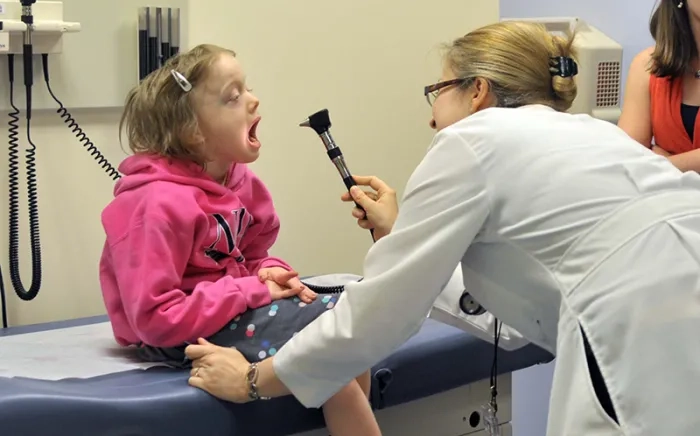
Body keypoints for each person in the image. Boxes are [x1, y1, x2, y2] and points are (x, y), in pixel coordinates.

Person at [184, 21, 700, 436]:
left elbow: (380, 314)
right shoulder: (591, 133)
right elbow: (519, 311)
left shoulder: (471, 140)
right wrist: (397, 233)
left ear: (476, 91)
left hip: (641, 334)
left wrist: (253, 380)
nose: (431, 117)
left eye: (437, 91)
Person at [98, 44, 381, 436]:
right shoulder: (154, 204)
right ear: (193, 131)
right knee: (334, 369)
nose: (253, 99)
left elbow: (249, 257)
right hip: (179, 333)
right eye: (233, 96)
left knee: (346, 328)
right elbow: (154, 320)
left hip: (226, 309)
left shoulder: (238, 182)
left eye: (246, 88)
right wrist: (252, 291)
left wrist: (269, 273)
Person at [618, 0, 700, 172]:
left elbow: (641, 168)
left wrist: (665, 164)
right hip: (665, 198)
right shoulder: (647, 66)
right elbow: (626, 160)